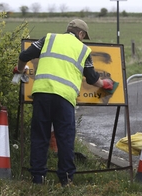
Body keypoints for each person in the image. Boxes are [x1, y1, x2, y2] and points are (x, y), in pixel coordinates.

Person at [13, 18, 114, 186]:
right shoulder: (83, 49)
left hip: (42, 94)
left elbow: (24, 56)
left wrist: (20, 68)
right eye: (83, 36)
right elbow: (91, 78)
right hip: (64, 98)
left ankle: (38, 179)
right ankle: (66, 179)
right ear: (81, 34)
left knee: (40, 137)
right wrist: (104, 84)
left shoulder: (49, 38)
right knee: (65, 139)